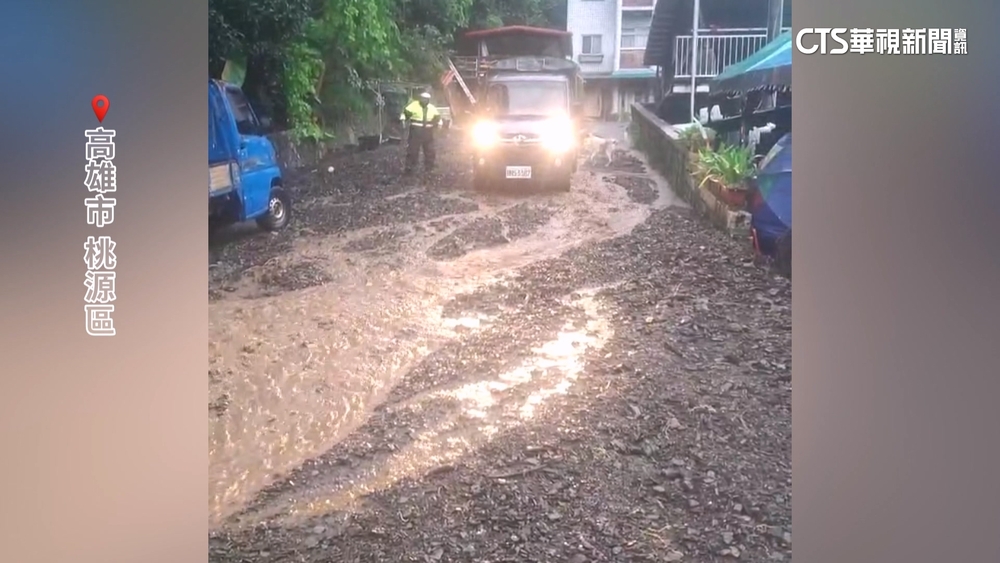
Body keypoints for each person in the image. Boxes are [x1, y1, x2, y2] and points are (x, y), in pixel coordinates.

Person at [399, 91, 441, 174]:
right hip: (416, 131)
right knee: (413, 150)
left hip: (428, 131)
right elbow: (405, 113)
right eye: (423, 99)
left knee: (430, 150)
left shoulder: (432, 108)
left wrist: (439, 124)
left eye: (426, 99)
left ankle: (429, 168)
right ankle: (409, 168)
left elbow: (437, 117)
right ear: (420, 99)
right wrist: (403, 119)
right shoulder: (414, 105)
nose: (425, 101)